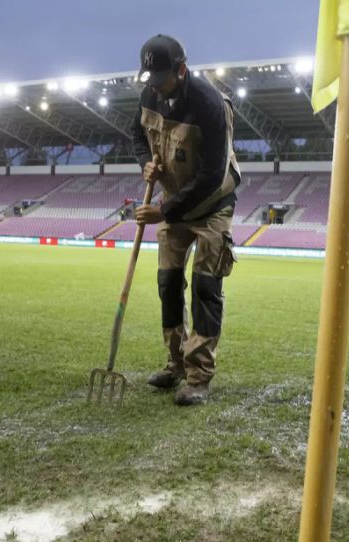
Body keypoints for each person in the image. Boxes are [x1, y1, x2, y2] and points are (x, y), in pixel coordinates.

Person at [132, 34, 241, 406]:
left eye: (161, 78)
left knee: (204, 288)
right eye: (150, 78)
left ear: (181, 69)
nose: (156, 88)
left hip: (211, 206)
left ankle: (198, 376)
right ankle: (175, 362)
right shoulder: (150, 94)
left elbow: (212, 174)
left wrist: (164, 211)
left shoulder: (210, 104)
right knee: (168, 283)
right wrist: (144, 161)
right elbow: (136, 135)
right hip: (174, 202)